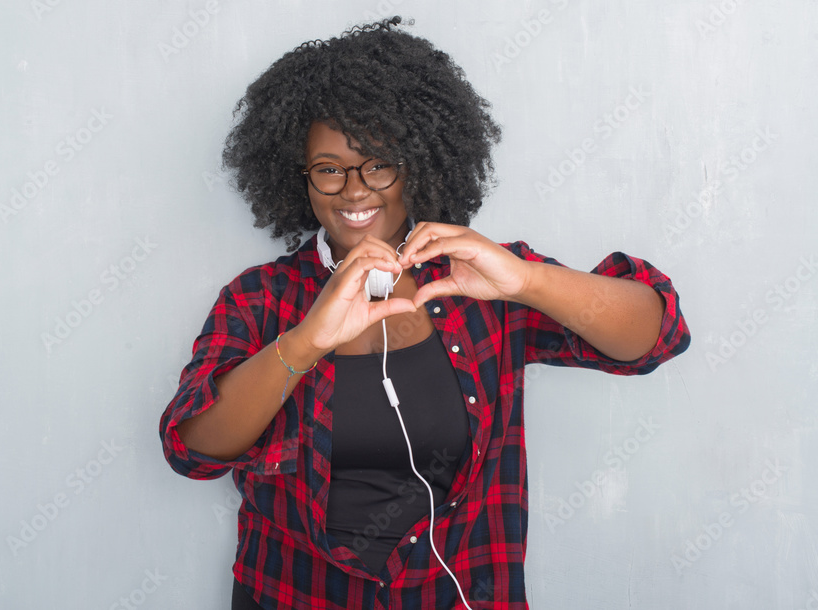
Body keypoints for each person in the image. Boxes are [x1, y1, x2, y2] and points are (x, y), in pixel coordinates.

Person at [159, 17, 691, 610]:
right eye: (330, 168)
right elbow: (192, 449)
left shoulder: (480, 281)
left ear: (417, 164)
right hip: (298, 592)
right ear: (301, 178)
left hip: (455, 591)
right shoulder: (261, 298)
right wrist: (306, 342)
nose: (355, 190)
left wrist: (528, 280)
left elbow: (656, 334)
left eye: (379, 163)